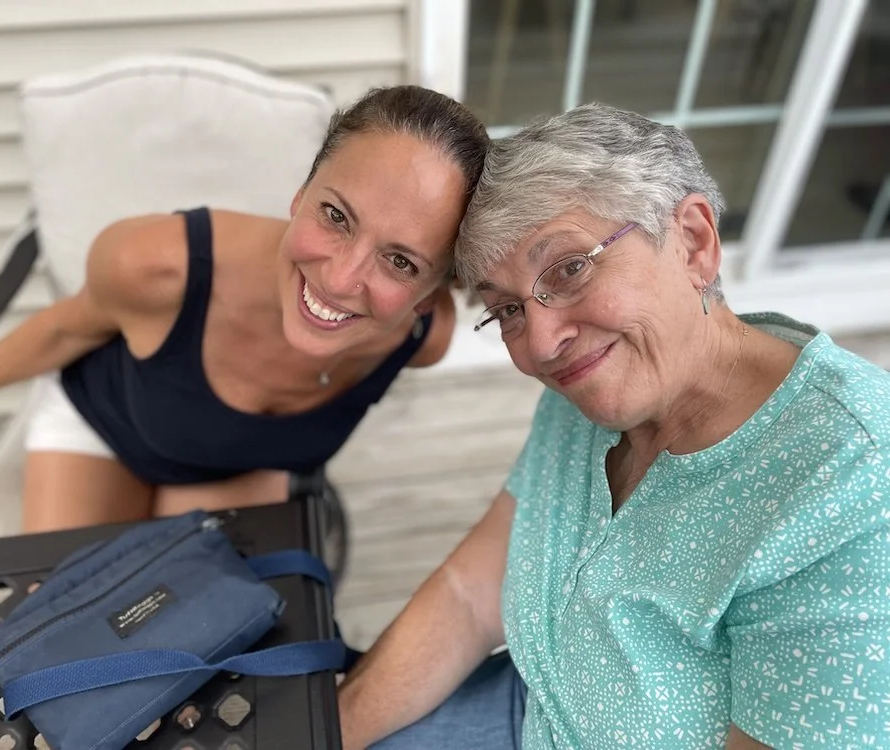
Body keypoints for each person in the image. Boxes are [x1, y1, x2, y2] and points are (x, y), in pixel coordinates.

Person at [337, 103, 890, 749]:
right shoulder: (601, 384)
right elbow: (469, 592)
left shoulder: (853, 487)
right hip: (529, 701)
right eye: (507, 308)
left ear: (693, 241)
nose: (542, 344)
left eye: (569, 268)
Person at [0, 86, 489, 533]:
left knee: (198, 664)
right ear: (302, 191)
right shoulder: (154, 263)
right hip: (109, 428)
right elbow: (64, 328)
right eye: (335, 216)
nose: (339, 279)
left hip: (236, 460)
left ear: (437, 284)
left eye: (401, 262)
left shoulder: (421, 339)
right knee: (72, 648)